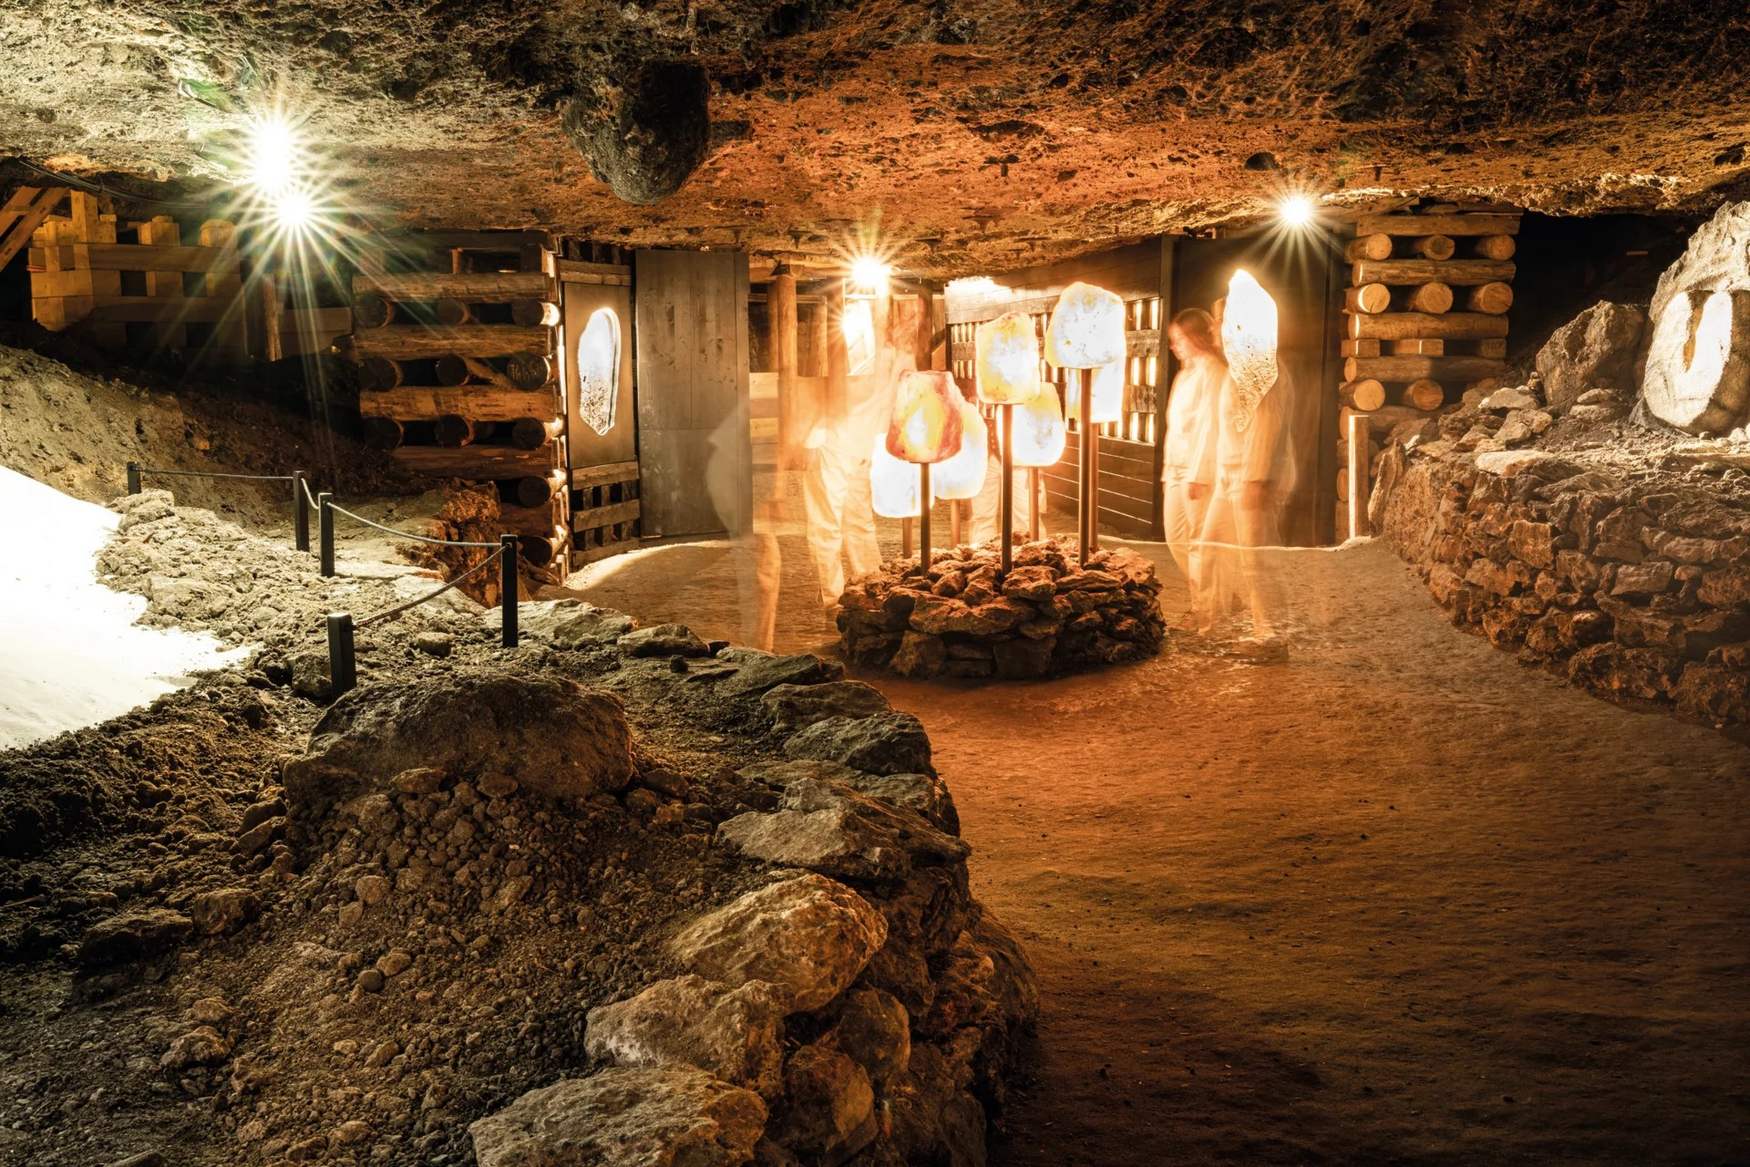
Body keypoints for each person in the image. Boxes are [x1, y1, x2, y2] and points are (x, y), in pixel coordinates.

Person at [1159, 308, 1224, 627]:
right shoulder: (1184, 375)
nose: (1174, 346)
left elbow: (1209, 427)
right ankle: (1211, 597)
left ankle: (1206, 611)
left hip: (1199, 471)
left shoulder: (1213, 373)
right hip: (1175, 469)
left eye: (1179, 339)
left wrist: (1199, 473)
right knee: (1177, 538)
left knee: (1199, 541)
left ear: (1196, 336)